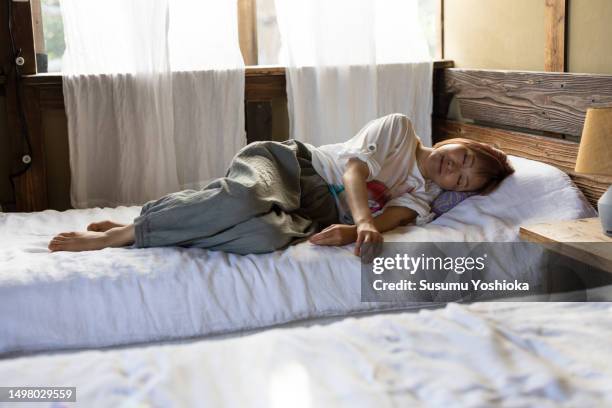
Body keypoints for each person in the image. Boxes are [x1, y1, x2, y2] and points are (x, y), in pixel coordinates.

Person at [48, 114, 514, 256]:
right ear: (458, 140)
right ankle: (123, 234)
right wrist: (361, 220)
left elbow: (385, 223)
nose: (454, 170)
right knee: (245, 197)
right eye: (464, 157)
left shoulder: (424, 200)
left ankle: (154, 219)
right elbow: (354, 174)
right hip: (292, 165)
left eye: (465, 181)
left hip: (311, 213)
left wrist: (355, 231)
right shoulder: (400, 130)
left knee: (264, 235)